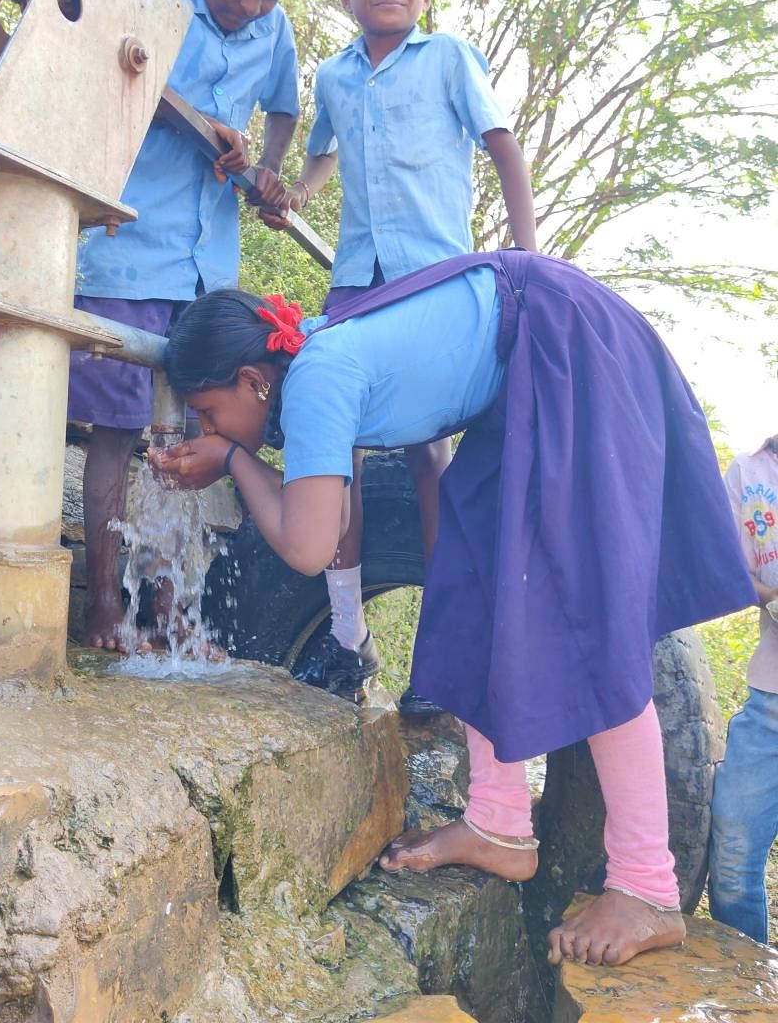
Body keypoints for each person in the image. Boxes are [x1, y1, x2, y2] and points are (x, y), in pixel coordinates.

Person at [150, 248, 756, 966]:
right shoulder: (305, 371)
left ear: (253, 380)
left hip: (565, 345)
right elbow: (335, 520)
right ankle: (499, 821)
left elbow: (308, 545)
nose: (206, 428)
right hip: (524, 369)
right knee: (468, 579)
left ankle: (646, 885)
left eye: (208, 412)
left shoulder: (315, 378)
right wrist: (240, 456)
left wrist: (232, 462)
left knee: (586, 611)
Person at [260, 0, 536, 708]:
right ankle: (348, 640)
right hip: (357, 282)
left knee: (426, 454)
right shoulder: (336, 76)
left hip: (436, 279)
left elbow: (503, 146)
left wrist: (527, 260)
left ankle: (443, 653)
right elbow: (323, 151)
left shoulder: (448, 58)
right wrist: (298, 196)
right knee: (329, 437)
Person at [68, 0, 310, 649]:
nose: (254, 4)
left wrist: (268, 169)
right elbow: (95, 47)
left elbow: (284, 106)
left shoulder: (274, 34)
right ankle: (103, 606)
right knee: (116, 430)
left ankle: (170, 617)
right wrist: (203, 122)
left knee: (188, 440)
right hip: (127, 248)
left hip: (209, 271)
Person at [708, 432, 778, 945]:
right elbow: (728, 571)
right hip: (772, 702)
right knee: (733, 845)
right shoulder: (750, 474)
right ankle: (750, 994)